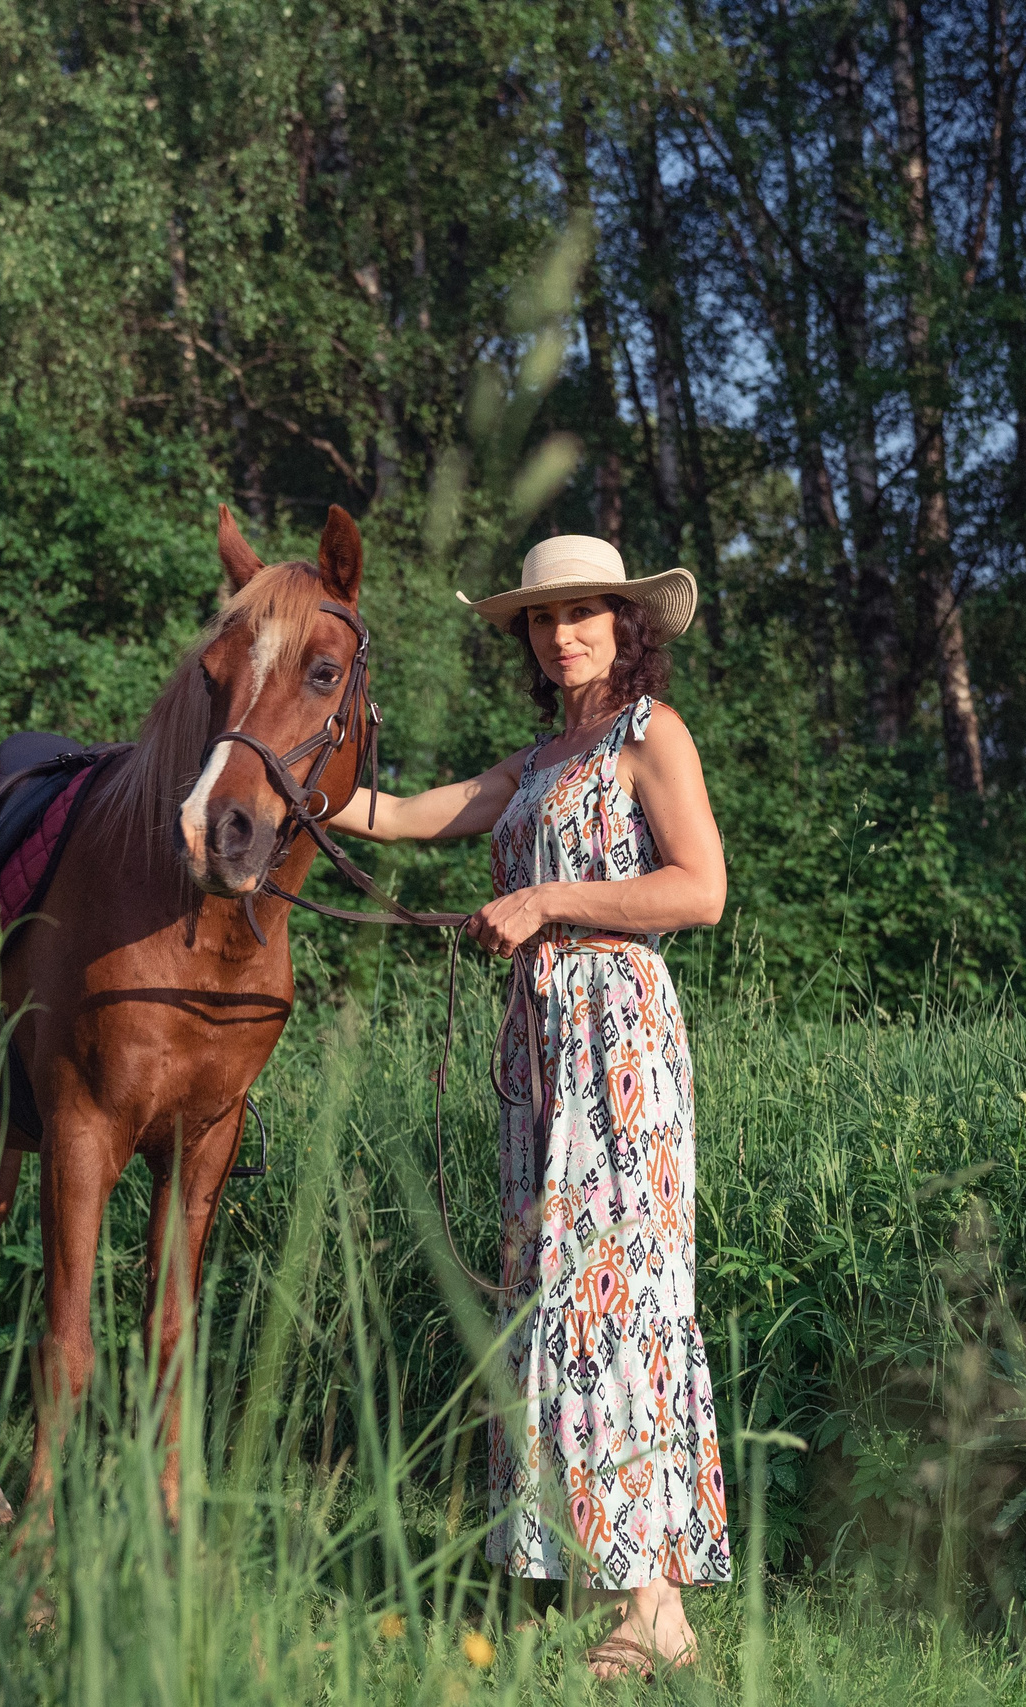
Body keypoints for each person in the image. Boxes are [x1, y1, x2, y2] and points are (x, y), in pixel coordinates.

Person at [327, 534, 730, 1679]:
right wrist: (272, 777)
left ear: (624, 621)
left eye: (584, 614)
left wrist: (546, 898)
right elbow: (401, 815)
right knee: (556, 1291)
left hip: (617, 1033)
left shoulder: (650, 734)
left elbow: (699, 889)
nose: (562, 635)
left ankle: (654, 1604)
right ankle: (615, 1572)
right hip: (544, 1046)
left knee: (622, 1292)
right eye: (541, 621)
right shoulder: (537, 759)